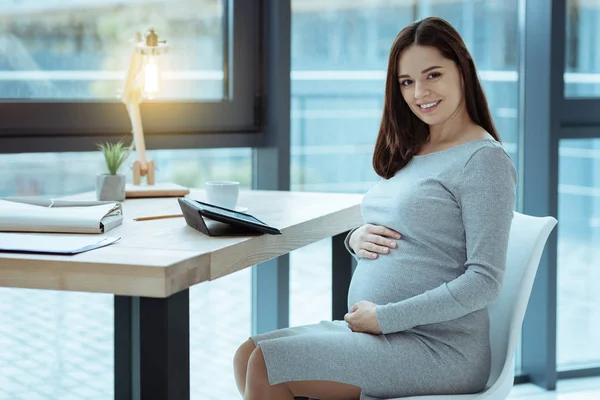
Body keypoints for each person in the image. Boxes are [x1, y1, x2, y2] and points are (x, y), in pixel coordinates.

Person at [233, 16, 517, 400]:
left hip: (438, 348)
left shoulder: (484, 161)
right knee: (246, 355)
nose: (420, 92)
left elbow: (484, 281)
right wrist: (356, 238)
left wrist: (385, 318)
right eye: (407, 82)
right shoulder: (417, 150)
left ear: (462, 70)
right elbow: (404, 226)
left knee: (267, 365)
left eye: (433, 75)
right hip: (386, 335)